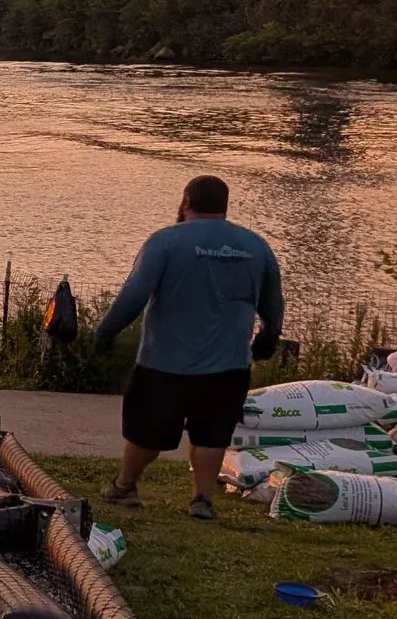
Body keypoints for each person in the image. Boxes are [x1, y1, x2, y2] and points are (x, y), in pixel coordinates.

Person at [95, 175, 284, 519]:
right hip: (229, 367)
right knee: (212, 436)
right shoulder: (256, 246)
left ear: (185, 202)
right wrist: (268, 339)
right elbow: (273, 304)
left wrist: (105, 333)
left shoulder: (165, 241)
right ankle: (201, 500)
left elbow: (134, 295)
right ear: (225, 206)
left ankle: (125, 486)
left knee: (146, 433)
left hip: (164, 364)